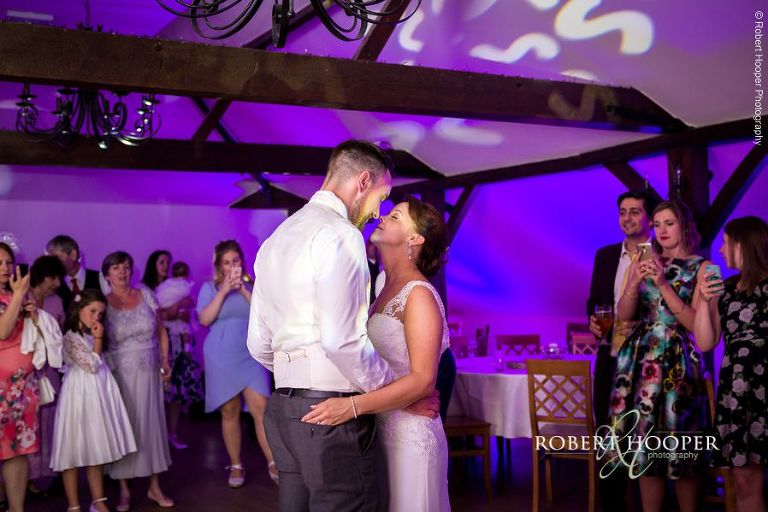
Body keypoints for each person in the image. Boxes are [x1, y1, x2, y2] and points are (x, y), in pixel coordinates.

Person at [247, 139, 438, 512]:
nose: (376, 213)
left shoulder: (275, 240)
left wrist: (299, 372)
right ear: (362, 182)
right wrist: (398, 394)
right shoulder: (341, 233)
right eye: (380, 198)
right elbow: (341, 342)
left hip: (283, 410)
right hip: (330, 413)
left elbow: (257, 344)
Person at [303, 197, 451, 511]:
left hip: (411, 437)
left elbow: (424, 381)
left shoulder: (420, 295)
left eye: (395, 215)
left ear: (416, 238)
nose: (383, 216)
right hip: (379, 428)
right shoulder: (382, 282)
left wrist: (351, 407)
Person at [609, 200, 711, 512]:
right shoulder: (644, 259)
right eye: (657, 224)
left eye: (669, 223)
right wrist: (634, 282)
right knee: (644, 449)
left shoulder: (702, 267)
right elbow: (624, 317)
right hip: (639, 362)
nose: (662, 230)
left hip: (679, 361)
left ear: (684, 226)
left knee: (681, 447)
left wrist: (663, 284)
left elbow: (696, 325)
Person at [586, 189, 657, 509]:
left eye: (635, 212)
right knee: (608, 435)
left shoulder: (660, 255)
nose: (627, 218)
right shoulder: (604, 255)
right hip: (610, 357)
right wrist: (592, 320)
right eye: (622, 212)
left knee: (646, 435)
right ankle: (612, 505)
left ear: (650, 219)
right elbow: (594, 302)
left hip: (647, 361)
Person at [694, 216, 768, 512]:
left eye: (726, 242)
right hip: (737, 395)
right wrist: (702, 298)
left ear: (744, 244)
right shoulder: (727, 289)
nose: (722, 250)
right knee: (743, 480)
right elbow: (705, 342)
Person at [50, 289, 137, 512]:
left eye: (100, 313)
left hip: (97, 394)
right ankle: (74, 505)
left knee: (94, 449)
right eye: (92, 311)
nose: (96, 317)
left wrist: (97, 338)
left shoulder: (91, 334)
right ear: (79, 309)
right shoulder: (70, 336)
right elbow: (90, 365)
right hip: (79, 395)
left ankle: (98, 502)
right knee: (73, 450)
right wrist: (98, 339)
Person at [197, 240, 275, 487]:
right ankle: (236, 464)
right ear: (220, 266)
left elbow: (264, 314)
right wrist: (223, 291)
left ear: (242, 262)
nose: (232, 266)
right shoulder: (209, 288)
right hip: (221, 356)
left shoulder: (254, 286)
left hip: (250, 354)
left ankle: (273, 461)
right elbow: (205, 319)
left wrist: (242, 288)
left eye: (236, 261)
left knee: (261, 407)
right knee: (229, 411)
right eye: (227, 263)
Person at [102, 251, 173, 511]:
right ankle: (124, 491)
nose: (123, 271)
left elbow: (162, 330)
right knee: (124, 427)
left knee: (151, 426)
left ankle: (155, 487)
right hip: (119, 373)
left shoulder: (145, 295)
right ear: (107, 274)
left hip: (149, 370)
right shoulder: (103, 303)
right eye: (117, 267)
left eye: (127, 267)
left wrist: (165, 361)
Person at [0, 243, 38, 512]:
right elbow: (2, 332)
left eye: (8, 262)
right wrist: (17, 297)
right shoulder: (13, 296)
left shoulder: (13, 295)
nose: (5, 268)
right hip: (1, 390)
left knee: (17, 452)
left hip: (23, 389)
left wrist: (33, 313)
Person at [25, 255, 67, 491]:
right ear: (41, 276)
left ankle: (40, 478)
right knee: (27, 423)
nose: (57, 283)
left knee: (47, 423)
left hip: (48, 372)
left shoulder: (56, 302)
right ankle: (22, 478)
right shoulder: (20, 297)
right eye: (53, 278)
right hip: (25, 370)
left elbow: (58, 338)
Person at [156, 261, 202, 450]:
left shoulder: (182, 288)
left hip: (178, 345)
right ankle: (157, 437)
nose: (166, 266)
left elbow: (186, 315)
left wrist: (183, 307)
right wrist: (177, 306)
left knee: (175, 391)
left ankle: (172, 433)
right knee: (160, 392)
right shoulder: (155, 291)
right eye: (161, 262)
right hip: (159, 347)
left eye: (168, 262)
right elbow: (165, 315)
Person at [47, 235, 108, 311]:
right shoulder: (53, 284)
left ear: (73, 255)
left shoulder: (100, 278)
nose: (52, 263)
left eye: (56, 258)